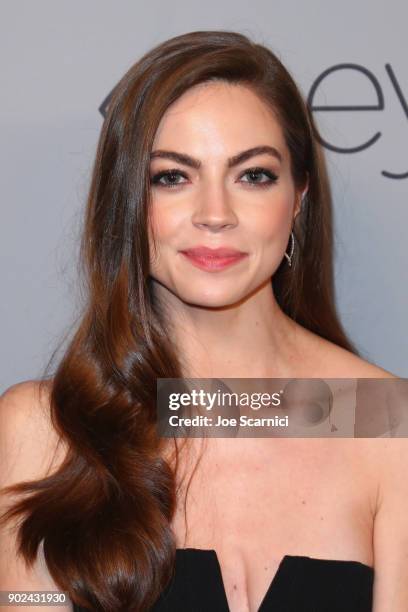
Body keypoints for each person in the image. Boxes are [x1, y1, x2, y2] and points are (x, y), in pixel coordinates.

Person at [0, 29, 407, 612]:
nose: (215, 214)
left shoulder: (388, 424)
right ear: (129, 204)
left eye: (253, 175)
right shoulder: (44, 430)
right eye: (172, 177)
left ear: (298, 198)